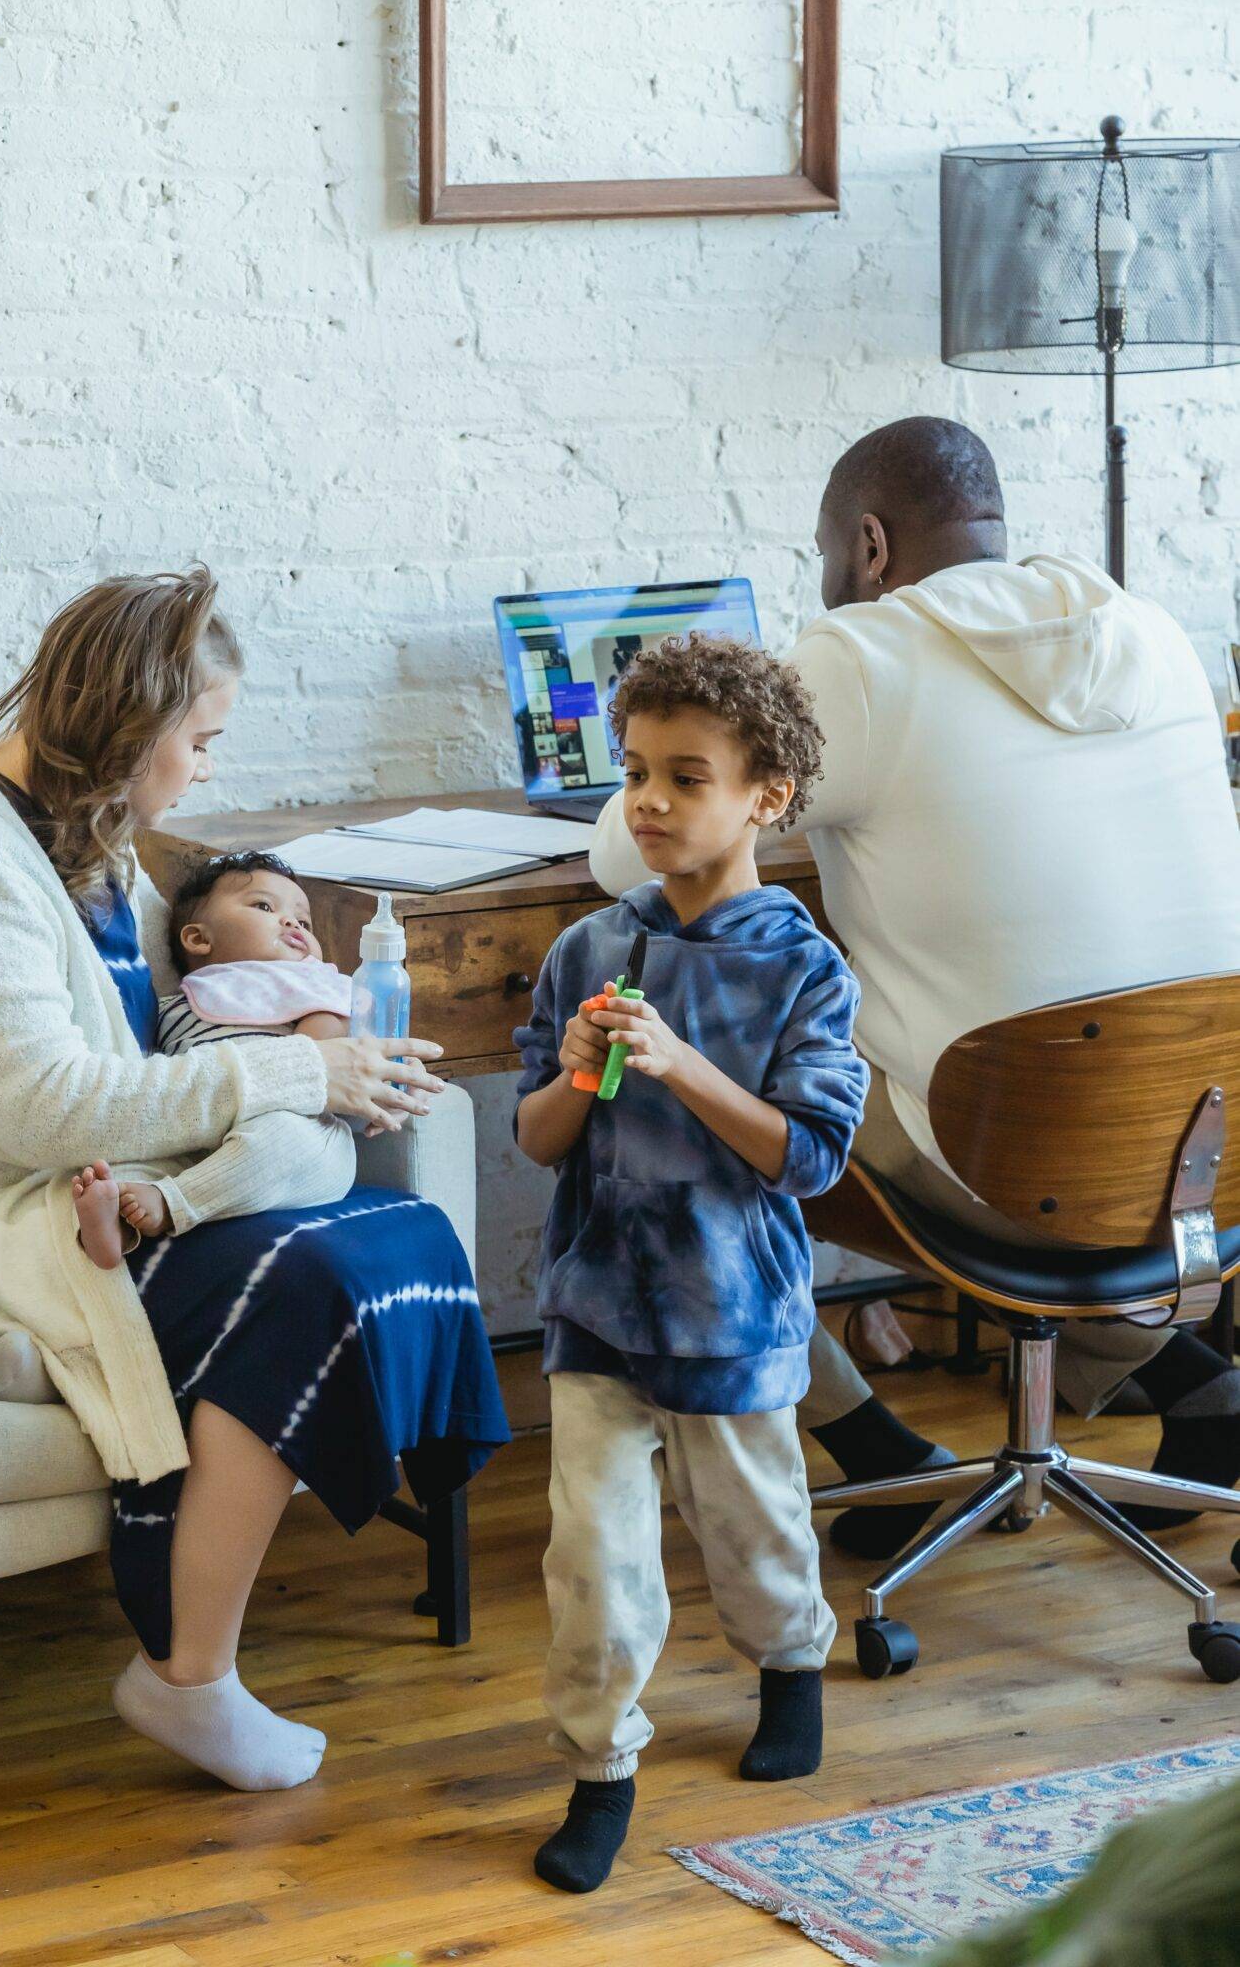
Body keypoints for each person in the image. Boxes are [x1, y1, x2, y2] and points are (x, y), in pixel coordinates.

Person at [0, 567, 509, 1791]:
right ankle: (188, 1676)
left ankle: (185, 1649)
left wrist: (323, 1047)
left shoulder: (85, 840)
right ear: (133, 725)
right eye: (201, 740)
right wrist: (293, 1078)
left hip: (103, 1184)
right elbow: (39, 1106)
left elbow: (176, 1031)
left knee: (397, 1229)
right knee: (314, 1273)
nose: (206, 771)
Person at [591, 417, 1240, 1559]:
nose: (830, 580)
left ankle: (873, 1449)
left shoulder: (862, 656)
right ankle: (1195, 1380)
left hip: (1005, 1159)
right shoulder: (1152, 630)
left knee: (662, 1101)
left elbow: (625, 851)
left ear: (873, 546)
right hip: (1205, 1156)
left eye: (830, 554)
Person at [516, 634, 868, 1893]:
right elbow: (536, 1137)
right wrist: (573, 1076)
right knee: (593, 1557)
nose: (650, 802)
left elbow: (811, 1154)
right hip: (597, 1305)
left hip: (731, 1308)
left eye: (686, 775)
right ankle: (600, 1766)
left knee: (755, 1527)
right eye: (633, 772)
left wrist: (681, 1064)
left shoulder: (802, 966)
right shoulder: (587, 950)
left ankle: (792, 1667)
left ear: (765, 793)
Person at [71, 850, 358, 1267]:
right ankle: (112, 1218)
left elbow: (317, 1062)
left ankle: (173, 1203)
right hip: (197, 1120)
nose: (293, 922)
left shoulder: (316, 987)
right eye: (264, 906)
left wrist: (327, 1019)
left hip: (283, 1119)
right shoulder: (174, 1001)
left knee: (309, 1145)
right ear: (198, 939)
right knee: (136, 1151)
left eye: (304, 921)